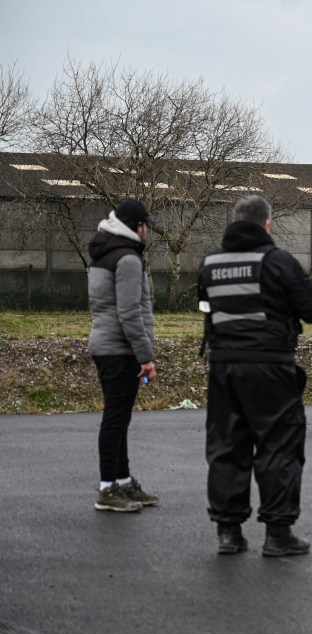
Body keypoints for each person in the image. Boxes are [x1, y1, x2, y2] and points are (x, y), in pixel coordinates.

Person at [198, 195, 312, 557]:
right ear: (267, 224)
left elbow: (205, 306)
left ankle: (228, 532)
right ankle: (278, 533)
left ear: (235, 221)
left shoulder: (209, 264)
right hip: (269, 366)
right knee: (279, 445)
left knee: (226, 446)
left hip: (223, 367)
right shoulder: (277, 261)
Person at [87, 198, 159, 512]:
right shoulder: (127, 259)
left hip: (106, 345)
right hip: (119, 349)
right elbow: (130, 313)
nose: (147, 233)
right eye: (146, 226)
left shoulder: (104, 254)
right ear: (138, 226)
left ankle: (124, 481)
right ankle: (107, 489)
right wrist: (145, 357)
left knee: (120, 417)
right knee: (116, 419)